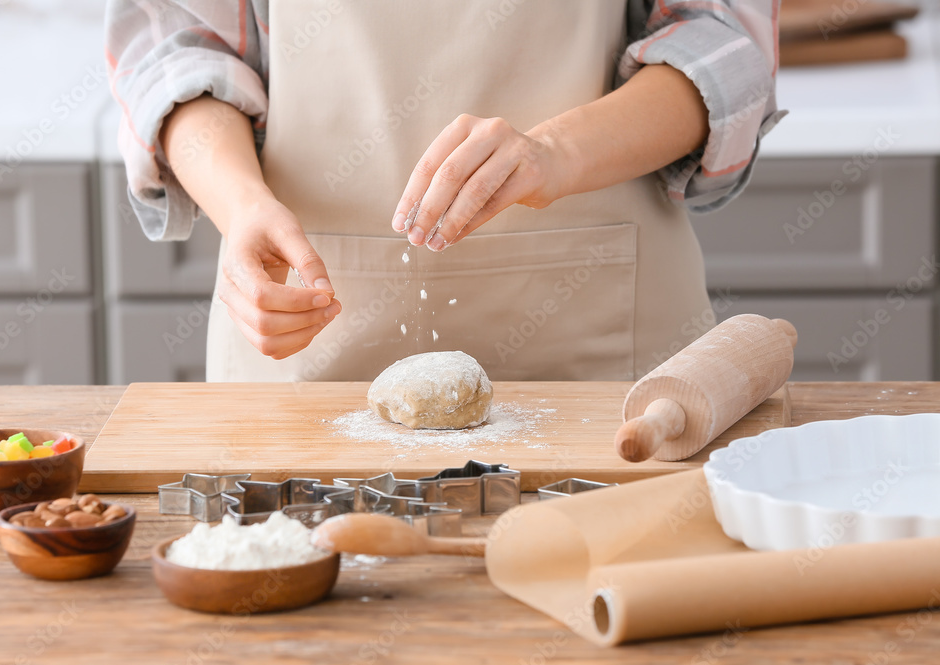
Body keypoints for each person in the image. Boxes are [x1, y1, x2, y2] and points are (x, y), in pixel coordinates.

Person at [106, 1, 784, 382]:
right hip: (304, 368)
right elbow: (175, 50)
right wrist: (241, 204)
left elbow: (722, 46)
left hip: (609, 377)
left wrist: (556, 152)